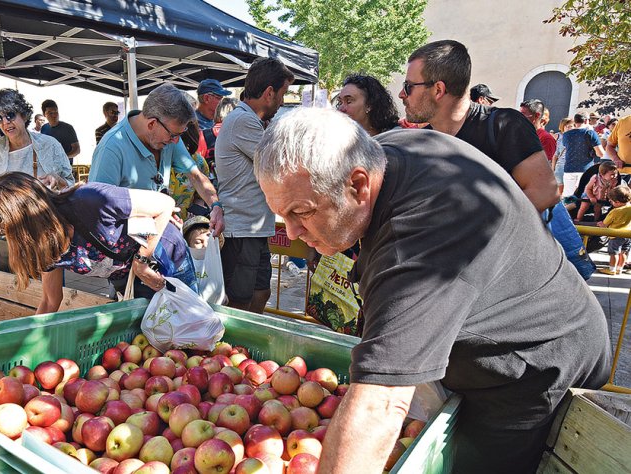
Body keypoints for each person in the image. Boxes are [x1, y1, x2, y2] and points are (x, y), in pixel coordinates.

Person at [255, 107, 610, 474]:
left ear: (358, 185)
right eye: (283, 214)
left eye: (301, 212)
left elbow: (379, 407)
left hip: (536, 364)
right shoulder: (385, 152)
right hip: (501, 340)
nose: (293, 233)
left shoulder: (418, 243)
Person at [0, 172, 197, 312]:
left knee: (186, 322)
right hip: (131, 277)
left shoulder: (90, 201)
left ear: (28, 221)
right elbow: (50, 301)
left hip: (164, 254)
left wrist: (141, 261)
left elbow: (164, 204)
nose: (10, 242)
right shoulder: (46, 246)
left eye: (9, 233)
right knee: (154, 339)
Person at [400, 40, 558, 212]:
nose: (401, 94)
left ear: (438, 89)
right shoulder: (421, 142)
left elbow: (544, 193)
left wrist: (472, 231)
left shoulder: (504, 125)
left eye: (408, 87)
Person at [215, 57, 294, 314]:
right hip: (242, 229)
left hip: (254, 228)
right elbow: (280, 163)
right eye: (282, 94)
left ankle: (246, 350)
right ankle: (234, 351)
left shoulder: (250, 120)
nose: (283, 102)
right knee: (240, 301)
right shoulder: (243, 120)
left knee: (261, 292)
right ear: (269, 93)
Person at [88, 83, 225, 230]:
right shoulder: (111, 148)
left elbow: (196, 176)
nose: (176, 141)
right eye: (173, 135)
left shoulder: (168, 137)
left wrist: (215, 205)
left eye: (179, 135)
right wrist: (153, 214)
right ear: (152, 123)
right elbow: (95, 208)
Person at [0, 88, 76, 271]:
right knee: (11, 291)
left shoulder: (49, 145)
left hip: (44, 235)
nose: (6, 122)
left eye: (10, 115)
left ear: (23, 114)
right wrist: (4, 198)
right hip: (7, 236)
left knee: (47, 294)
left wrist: (57, 180)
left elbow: (70, 184)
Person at [334, 73, 399, 136]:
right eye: (340, 102)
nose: (341, 109)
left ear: (369, 104)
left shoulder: (394, 138)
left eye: (349, 101)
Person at [562, 113, 605, 197]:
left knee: (567, 196)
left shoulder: (566, 135)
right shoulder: (590, 133)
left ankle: (566, 210)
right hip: (585, 169)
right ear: (586, 121)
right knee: (583, 197)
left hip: (569, 168)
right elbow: (600, 153)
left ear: (575, 122)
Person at [597, 186, 631, 275]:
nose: (610, 202)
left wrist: (601, 224)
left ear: (617, 202)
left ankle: (612, 269)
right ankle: (619, 268)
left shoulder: (615, 211)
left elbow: (605, 224)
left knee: (614, 253)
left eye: (611, 201)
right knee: (624, 252)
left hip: (615, 235)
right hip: (628, 234)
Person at [40, 99, 80, 164]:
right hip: (49, 167)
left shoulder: (68, 128)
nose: (54, 115)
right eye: (50, 113)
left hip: (65, 168)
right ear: (44, 114)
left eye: (56, 112)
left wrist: (63, 157)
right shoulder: (44, 128)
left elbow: (77, 150)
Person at [553, 117, 574, 191]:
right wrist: (553, 169)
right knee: (560, 191)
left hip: (573, 168)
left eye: (571, 126)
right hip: (561, 167)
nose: (569, 128)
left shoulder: (577, 138)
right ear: (563, 127)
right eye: (567, 126)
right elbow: (555, 155)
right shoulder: (559, 137)